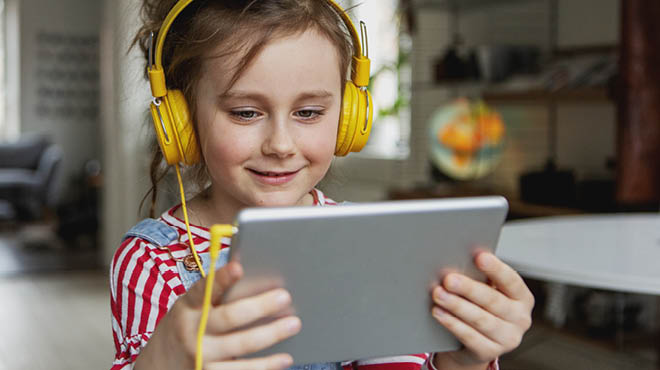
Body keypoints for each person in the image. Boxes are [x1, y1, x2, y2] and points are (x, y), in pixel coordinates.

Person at [110, 1, 535, 369]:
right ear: (181, 122)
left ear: (349, 117)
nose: (280, 144)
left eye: (309, 112)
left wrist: (464, 359)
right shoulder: (155, 262)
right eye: (244, 112)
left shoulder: (373, 245)